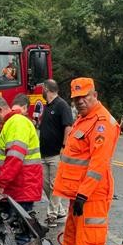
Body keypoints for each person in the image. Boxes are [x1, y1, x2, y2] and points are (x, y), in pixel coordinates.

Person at [53, 78, 120, 245]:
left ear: (95, 94)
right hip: (78, 194)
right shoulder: (84, 120)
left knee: (90, 241)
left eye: (85, 96)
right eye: (76, 98)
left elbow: (98, 163)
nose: (80, 101)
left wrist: (83, 194)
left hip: (92, 195)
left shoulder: (102, 123)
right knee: (72, 239)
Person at [0, 95, 43, 212]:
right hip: (16, 191)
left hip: (19, 191)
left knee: (16, 228)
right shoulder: (12, 124)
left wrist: (0, 184)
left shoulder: (16, 123)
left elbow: (14, 158)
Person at [39, 79, 74, 227]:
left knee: (55, 185)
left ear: (47, 89)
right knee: (45, 184)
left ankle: (52, 215)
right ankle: (59, 210)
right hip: (43, 153)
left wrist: (64, 145)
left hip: (55, 153)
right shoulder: (47, 107)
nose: (41, 91)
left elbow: (68, 126)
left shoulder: (61, 105)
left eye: (42, 88)